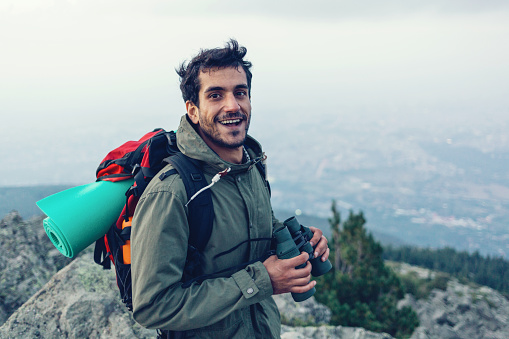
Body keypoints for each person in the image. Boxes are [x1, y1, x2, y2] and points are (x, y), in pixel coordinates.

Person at [130, 39, 329, 338]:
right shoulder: (172, 192)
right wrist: (263, 281)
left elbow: (250, 236)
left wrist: (299, 244)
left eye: (240, 93)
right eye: (215, 95)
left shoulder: (250, 168)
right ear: (193, 111)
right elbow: (152, 306)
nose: (232, 105)